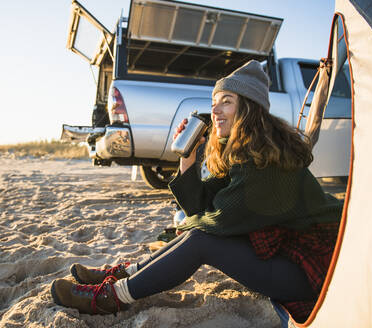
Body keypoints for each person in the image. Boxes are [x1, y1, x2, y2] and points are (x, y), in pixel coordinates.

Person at [50, 60, 342, 322]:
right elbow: (201, 206)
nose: (214, 110)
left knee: (201, 240)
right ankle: (125, 274)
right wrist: (187, 159)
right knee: (197, 233)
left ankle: (112, 297)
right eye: (214, 101)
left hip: (314, 268)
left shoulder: (264, 160)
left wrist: (187, 226)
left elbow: (218, 221)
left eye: (226, 101)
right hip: (285, 252)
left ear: (249, 108)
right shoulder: (241, 150)